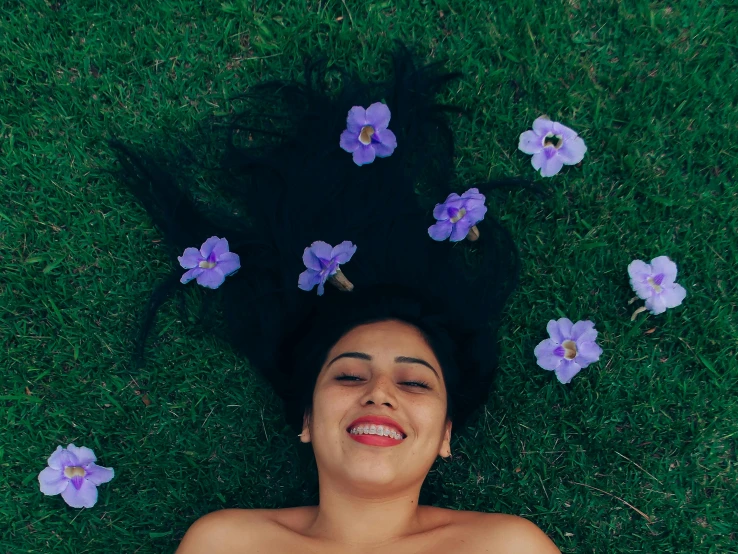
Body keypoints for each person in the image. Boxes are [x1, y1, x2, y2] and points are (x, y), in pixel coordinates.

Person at [111, 47, 560, 553]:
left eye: (415, 382)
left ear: (446, 436)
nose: (379, 393)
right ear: (306, 419)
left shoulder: (505, 547)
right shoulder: (227, 542)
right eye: (349, 374)